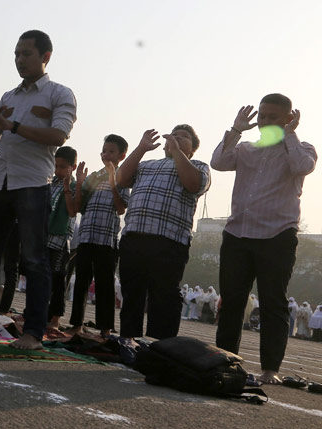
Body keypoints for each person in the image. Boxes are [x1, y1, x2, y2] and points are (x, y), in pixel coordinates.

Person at [0, 30, 77, 350]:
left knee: (34, 260)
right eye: (17, 55)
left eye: (27, 54)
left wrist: (13, 126)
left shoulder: (60, 94)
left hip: (32, 183)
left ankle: (34, 332)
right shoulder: (9, 96)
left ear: (46, 56)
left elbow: (59, 136)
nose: (20, 60)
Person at [212, 94, 317, 384]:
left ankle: (270, 369)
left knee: (273, 302)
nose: (265, 121)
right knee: (232, 301)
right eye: (262, 115)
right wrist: (235, 130)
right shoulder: (246, 148)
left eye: (273, 117)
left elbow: (302, 167)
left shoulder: (302, 148)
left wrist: (291, 135)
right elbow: (218, 161)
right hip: (237, 234)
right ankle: (226, 360)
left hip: (277, 236)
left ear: (287, 119)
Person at [116, 125, 210, 353]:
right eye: (174, 135)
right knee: (132, 289)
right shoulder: (147, 165)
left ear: (193, 149)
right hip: (135, 234)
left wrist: (178, 152)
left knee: (165, 292)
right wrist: (141, 148)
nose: (176, 138)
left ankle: (162, 344)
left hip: (170, 240)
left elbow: (193, 184)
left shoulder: (198, 166)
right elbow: (121, 178)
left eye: (183, 137)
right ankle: (128, 337)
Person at [67, 134, 129, 337]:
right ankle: (77, 324)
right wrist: (79, 183)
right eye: (104, 150)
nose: (107, 154)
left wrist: (112, 181)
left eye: (111, 151)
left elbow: (120, 209)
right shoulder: (93, 177)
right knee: (81, 282)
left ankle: (105, 329)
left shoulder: (123, 177)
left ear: (122, 155)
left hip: (107, 240)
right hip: (86, 236)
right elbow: (77, 207)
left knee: (105, 284)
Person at [46, 146, 77, 329]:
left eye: (62, 167)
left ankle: (56, 317)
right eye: (56, 166)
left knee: (58, 279)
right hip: (45, 236)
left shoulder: (73, 186)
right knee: (42, 277)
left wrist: (68, 188)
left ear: (72, 167)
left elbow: (73, 210)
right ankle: (37, 312)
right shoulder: (51, 183)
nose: (58, 170)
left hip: (60, 240)